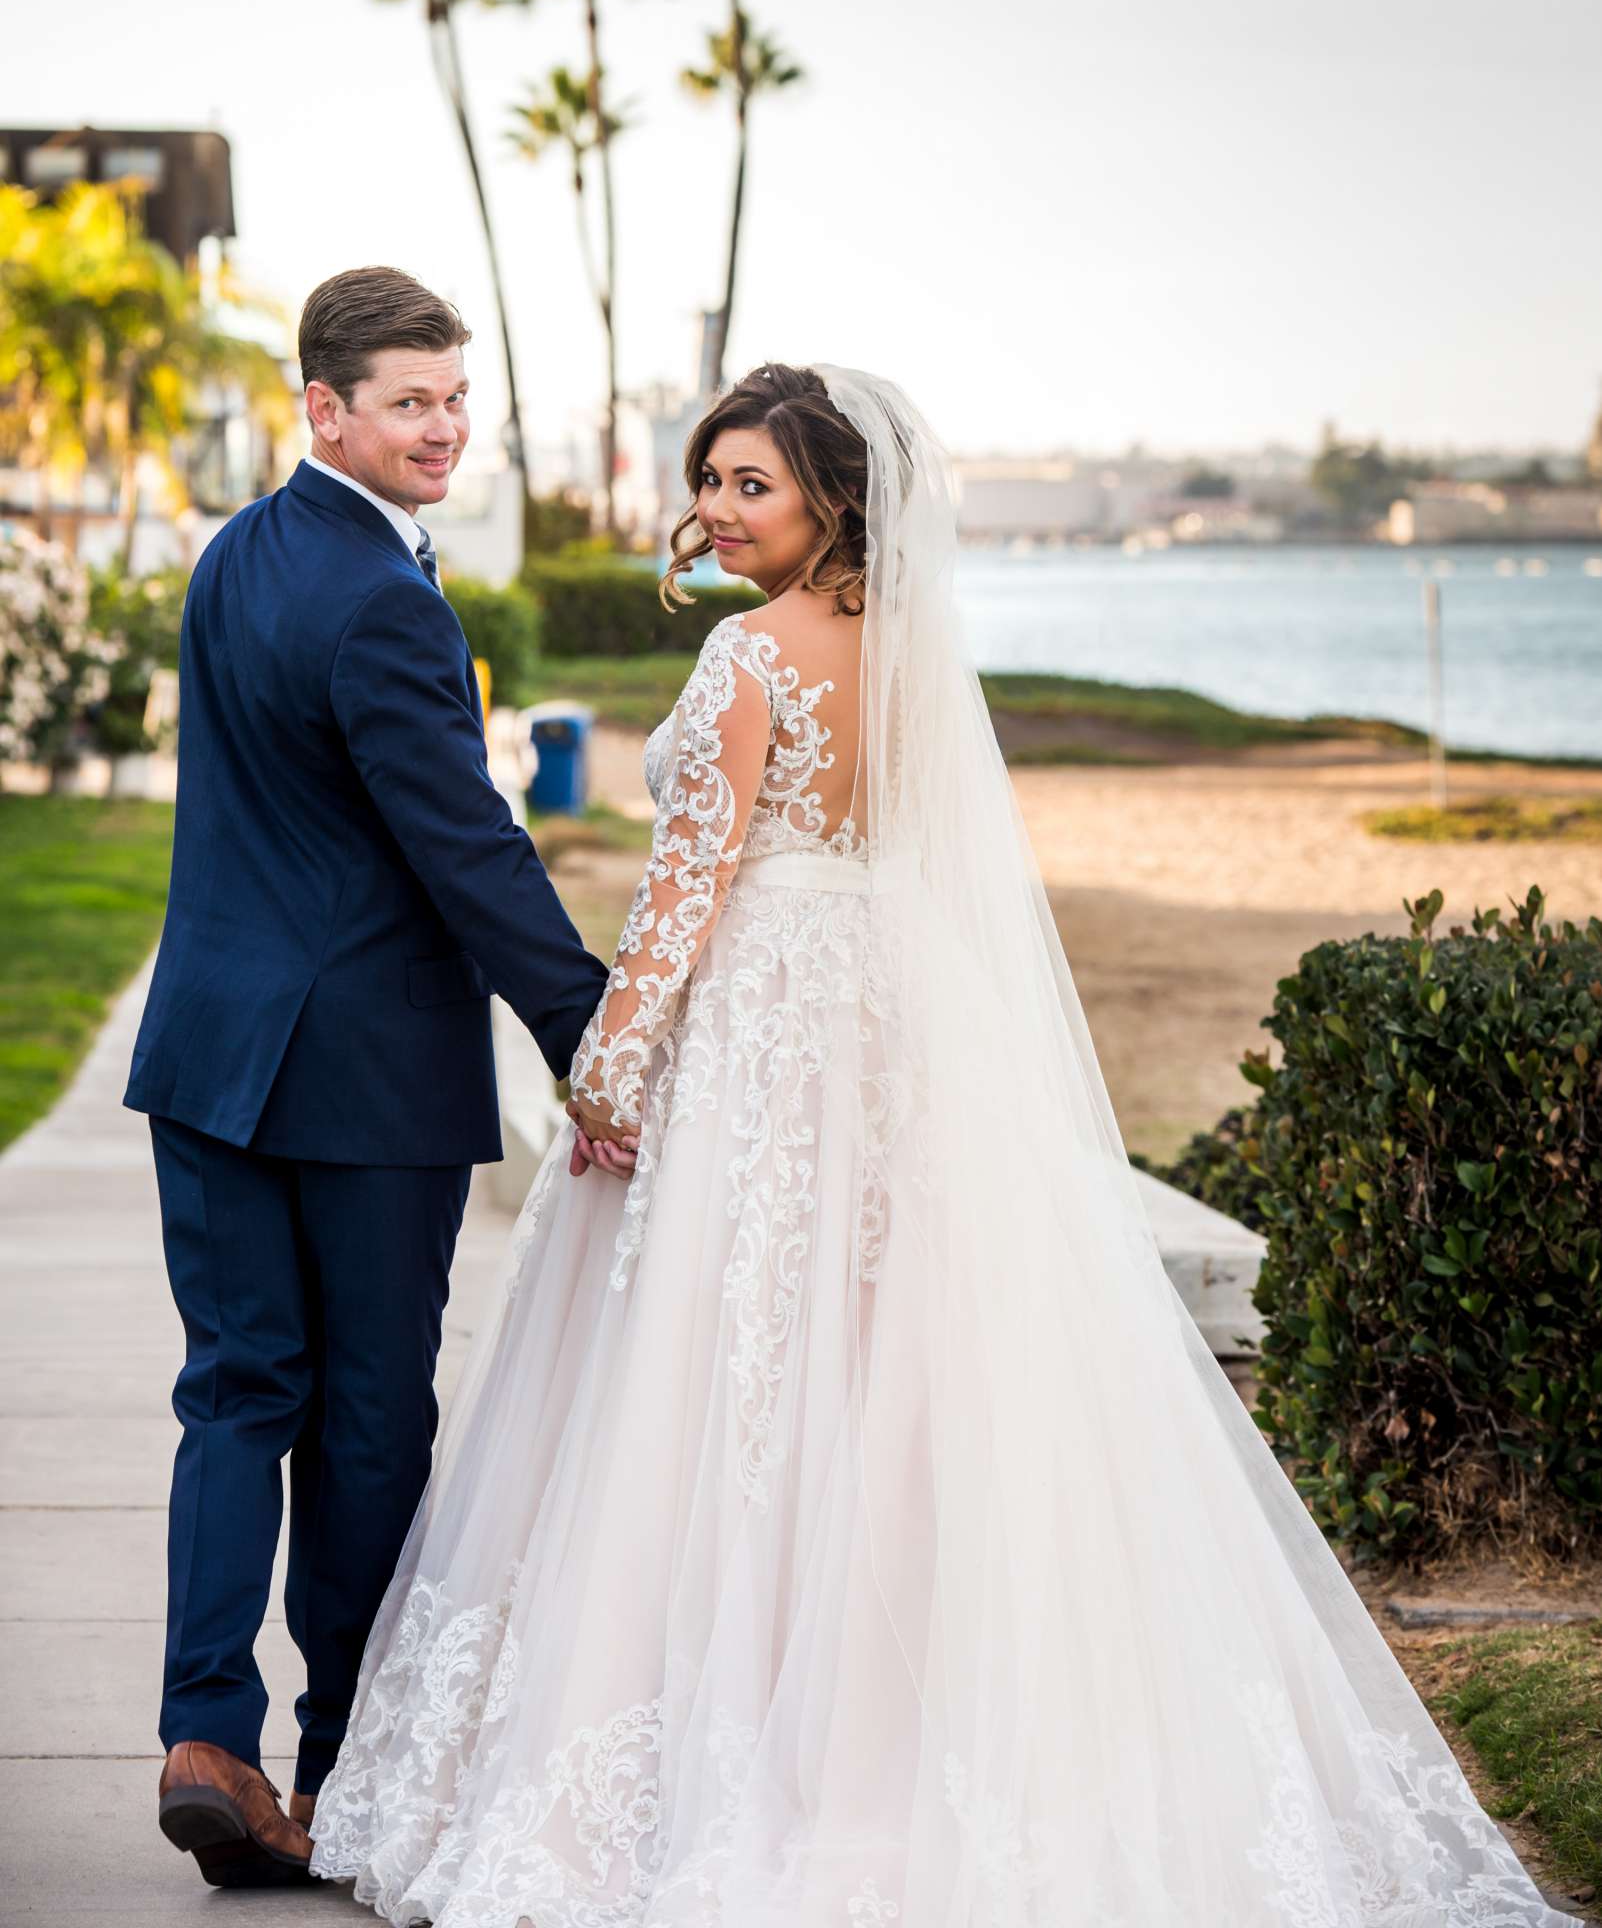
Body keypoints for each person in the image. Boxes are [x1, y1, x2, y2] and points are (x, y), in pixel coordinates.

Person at [311, 363, 1575, 1925]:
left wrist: (607, 1072)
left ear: (833, 498)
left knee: (724, 1380)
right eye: (707, 481)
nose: (713, 510)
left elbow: (686, 898)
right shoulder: (916, 656)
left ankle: (730, 1748)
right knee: (880, 1372)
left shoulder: (745, 656)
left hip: (763, 1032)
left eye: (748, 486)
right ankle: (884, 1733)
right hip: (891, 1024)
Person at [127, 266, 608, 1889]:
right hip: (358, 1075)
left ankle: (206, 1734)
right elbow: (463, 845)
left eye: (455, 399)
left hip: (208, 1055)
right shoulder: (386, 600)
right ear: (323, 409)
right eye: (409, 401)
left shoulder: (235, 559)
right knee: (365, 1424)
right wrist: (591, 1033)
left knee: (234, 1394)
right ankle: (343, 1764)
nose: (443, 428)